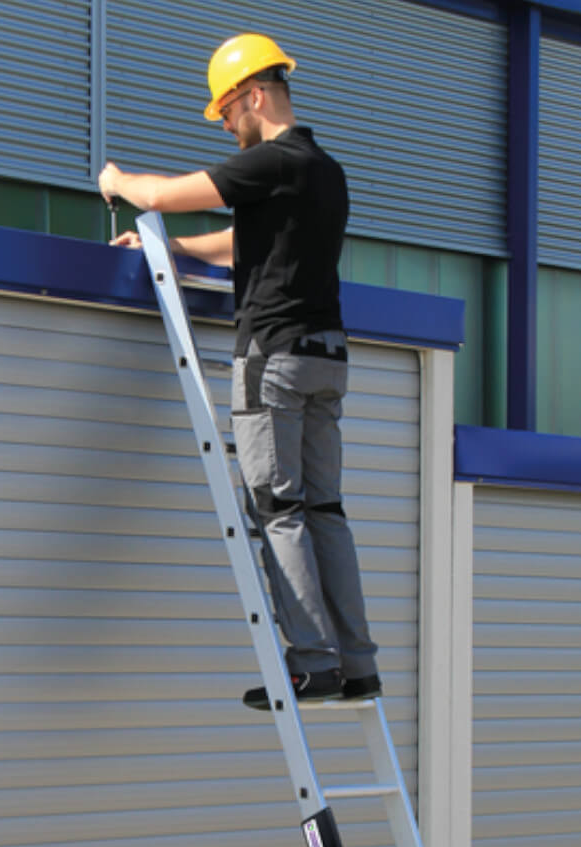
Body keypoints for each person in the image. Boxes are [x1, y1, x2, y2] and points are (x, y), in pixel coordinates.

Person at [98, 33, 380, 709]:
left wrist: (117, 183)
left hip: (274, 359)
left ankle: (311, 662)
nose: (226, 126)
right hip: (327, 358)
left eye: (226, 113)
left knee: (277, 511)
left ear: (253, 96)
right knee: (325, 511)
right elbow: (241, 244)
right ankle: (358, 665)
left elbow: (165, 193)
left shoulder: (271, 161)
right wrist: (163, 247)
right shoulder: (323, 169)